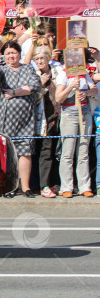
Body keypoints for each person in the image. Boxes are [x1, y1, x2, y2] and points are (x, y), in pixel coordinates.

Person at [0, 41, 42, 197]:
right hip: (8, 117)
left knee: (26, 152)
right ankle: (8, 186)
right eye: (8, 54)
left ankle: (25, 187)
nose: (11, 56)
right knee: (8, 152)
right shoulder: (3, 69)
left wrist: (14, 92)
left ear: (19, 53)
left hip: (27, 116)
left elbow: (34, 86)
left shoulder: (28, 68)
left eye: (13, 53)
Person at [55, 49, 97, 198]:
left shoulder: (84, 73)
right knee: (68, 152)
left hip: (84, 114)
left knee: (83, 151)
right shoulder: (63, 74)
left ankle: (84, 185)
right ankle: (66, 186)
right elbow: (58, 97)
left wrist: (86, 92)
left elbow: (95, 90)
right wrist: (71, 86)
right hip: (69, 115)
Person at [33, 46, 61, 198]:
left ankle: (56, 183)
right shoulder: (34, 75)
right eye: (36, 59)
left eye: (42, 58)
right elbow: (32, 98)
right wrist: (41, 86)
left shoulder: (58, 72)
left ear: (48, 58)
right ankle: (43, 185)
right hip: (44, 119)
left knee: (59, 151)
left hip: (59, 116)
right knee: (45, 152)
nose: (39, 61)